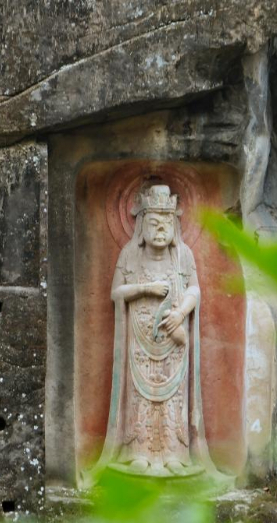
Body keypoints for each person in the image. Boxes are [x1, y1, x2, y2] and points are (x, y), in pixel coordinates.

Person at [90, 183, 213, 479]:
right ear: (141, 224)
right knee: (140, 396)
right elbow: (116, 292)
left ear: (175, 226)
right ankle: (139, 453)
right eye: (154, 223)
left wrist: (180, 313)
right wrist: (146, 288)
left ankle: (175, 453)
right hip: (139, 340)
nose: (160, 230)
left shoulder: (183, 256)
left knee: (174, 398)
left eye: (166, 223)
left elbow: (195, 290)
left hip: (174, 337)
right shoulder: (129, 255)